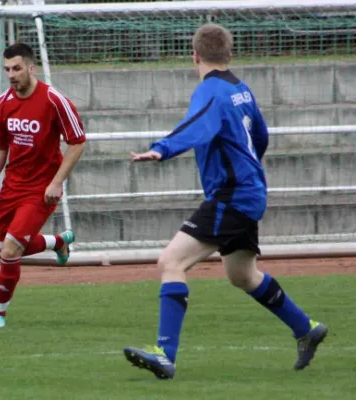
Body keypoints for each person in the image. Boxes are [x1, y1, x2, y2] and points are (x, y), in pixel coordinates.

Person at [123, 24, 327, 379]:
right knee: (242, 275)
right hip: (249, 192)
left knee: (170, 261)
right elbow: (260, 136)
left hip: (232, 195)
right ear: (229, 55)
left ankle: (164, 354)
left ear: (195, 55)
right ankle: (305, 328)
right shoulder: (241, 89)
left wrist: (161, 149)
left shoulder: (211, 93)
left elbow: (197, 126)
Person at [0, 42, 86, 328]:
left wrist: (57, 182)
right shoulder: (3, 103)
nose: (11, 75)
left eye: (17, 68)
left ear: (31, 68)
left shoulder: (53, 100)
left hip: (41, 190)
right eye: (7, 69)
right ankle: (57, 241)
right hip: (12, 187)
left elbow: (77, 142)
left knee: (10, 252)